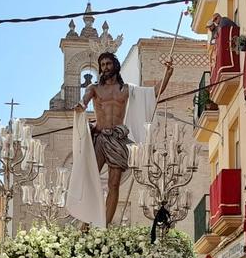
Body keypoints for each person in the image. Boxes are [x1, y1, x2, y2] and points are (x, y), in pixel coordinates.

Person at [74, 52, 174, 226]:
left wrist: (168, 73)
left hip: (118, 139)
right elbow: (84, 100)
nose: (105, 67)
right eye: (102, 65)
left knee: (114, 184)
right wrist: (81, 106)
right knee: (90, 180)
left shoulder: (127, 89)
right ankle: (85, 222)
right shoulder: (94, 88)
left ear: (115, 66)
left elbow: (155, 92)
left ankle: (104, 225)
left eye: (108, 64)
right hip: (99, 138)